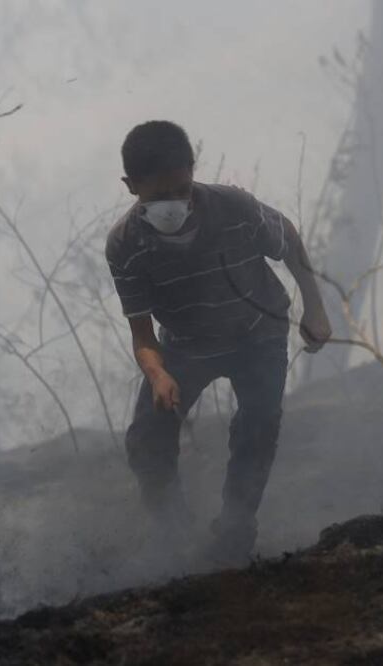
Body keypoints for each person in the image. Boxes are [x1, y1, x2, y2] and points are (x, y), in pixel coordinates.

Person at [105, 120, 332, 564]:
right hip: (185, 345)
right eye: (156, 197)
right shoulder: (126, 245)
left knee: (259, 422)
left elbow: (288, 240)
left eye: (180, 190)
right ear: (131, 186)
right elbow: (142, 335)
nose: (171, 205)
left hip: (258, 332)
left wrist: (315, 307)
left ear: (192, 170)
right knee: (147, 441)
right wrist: (159, 375)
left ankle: (235, 525)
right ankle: (176, 536)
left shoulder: (234, 207)